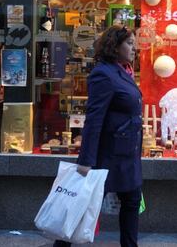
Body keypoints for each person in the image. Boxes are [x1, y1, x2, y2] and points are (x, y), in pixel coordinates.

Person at [54, 25, 142, 247]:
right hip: (109, 154)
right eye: (130, 44)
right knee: (82, 204)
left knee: (131, 201)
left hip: (127, 153)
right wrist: (85, 161)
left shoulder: (122, 70)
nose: (135, 48)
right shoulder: (104, 73)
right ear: (115, 46)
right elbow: (94, 119)